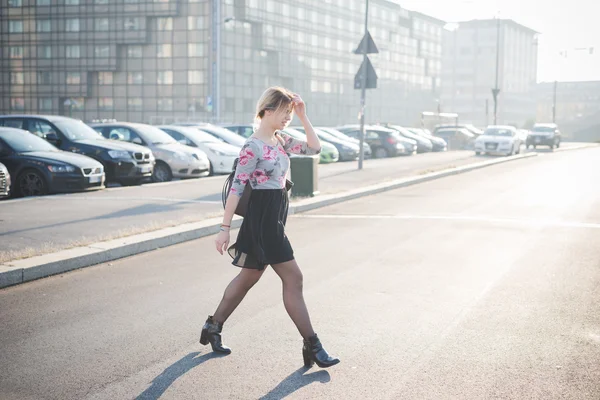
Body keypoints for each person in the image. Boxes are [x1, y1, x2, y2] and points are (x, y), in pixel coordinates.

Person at [200, 87, 340, 369]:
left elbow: (315, 148)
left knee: (247, 278)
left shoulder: (281, 140)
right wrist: (224, 228)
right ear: (267, 110)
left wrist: (303, 115)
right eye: (285, 112)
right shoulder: (252, 147)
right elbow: (237, 188)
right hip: (262, 221)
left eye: (290, 112)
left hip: (274, 215)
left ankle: (213, 326)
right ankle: (312, 345)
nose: (288, 117)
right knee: (294, 279)